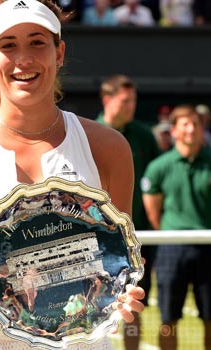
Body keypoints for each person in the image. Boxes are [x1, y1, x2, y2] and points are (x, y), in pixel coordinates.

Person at [0, 0, 146, 348]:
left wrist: (123, 294)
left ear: (59, 52)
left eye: (37, 42)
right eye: (8, 45)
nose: (24, 59)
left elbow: (117, 259)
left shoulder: (109, 147)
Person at [95, 74, 160, 350]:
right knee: (93, 304)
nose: (131, 105)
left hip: (139, 235)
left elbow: (156, 182)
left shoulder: (144, 136)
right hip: (96, 239)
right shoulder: (88, 134)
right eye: (125, 100)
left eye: (134, 100)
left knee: (135, 301)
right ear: (107, 100)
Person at [141, 104, 211, 350]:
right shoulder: (160, 166)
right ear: (174, 131)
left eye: (196, 124)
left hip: (208, 246)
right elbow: (152, 208)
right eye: (185, 125)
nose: (191, 130)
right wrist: (170, 232)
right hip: (172, 248)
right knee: (168, 318)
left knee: (210, 319)